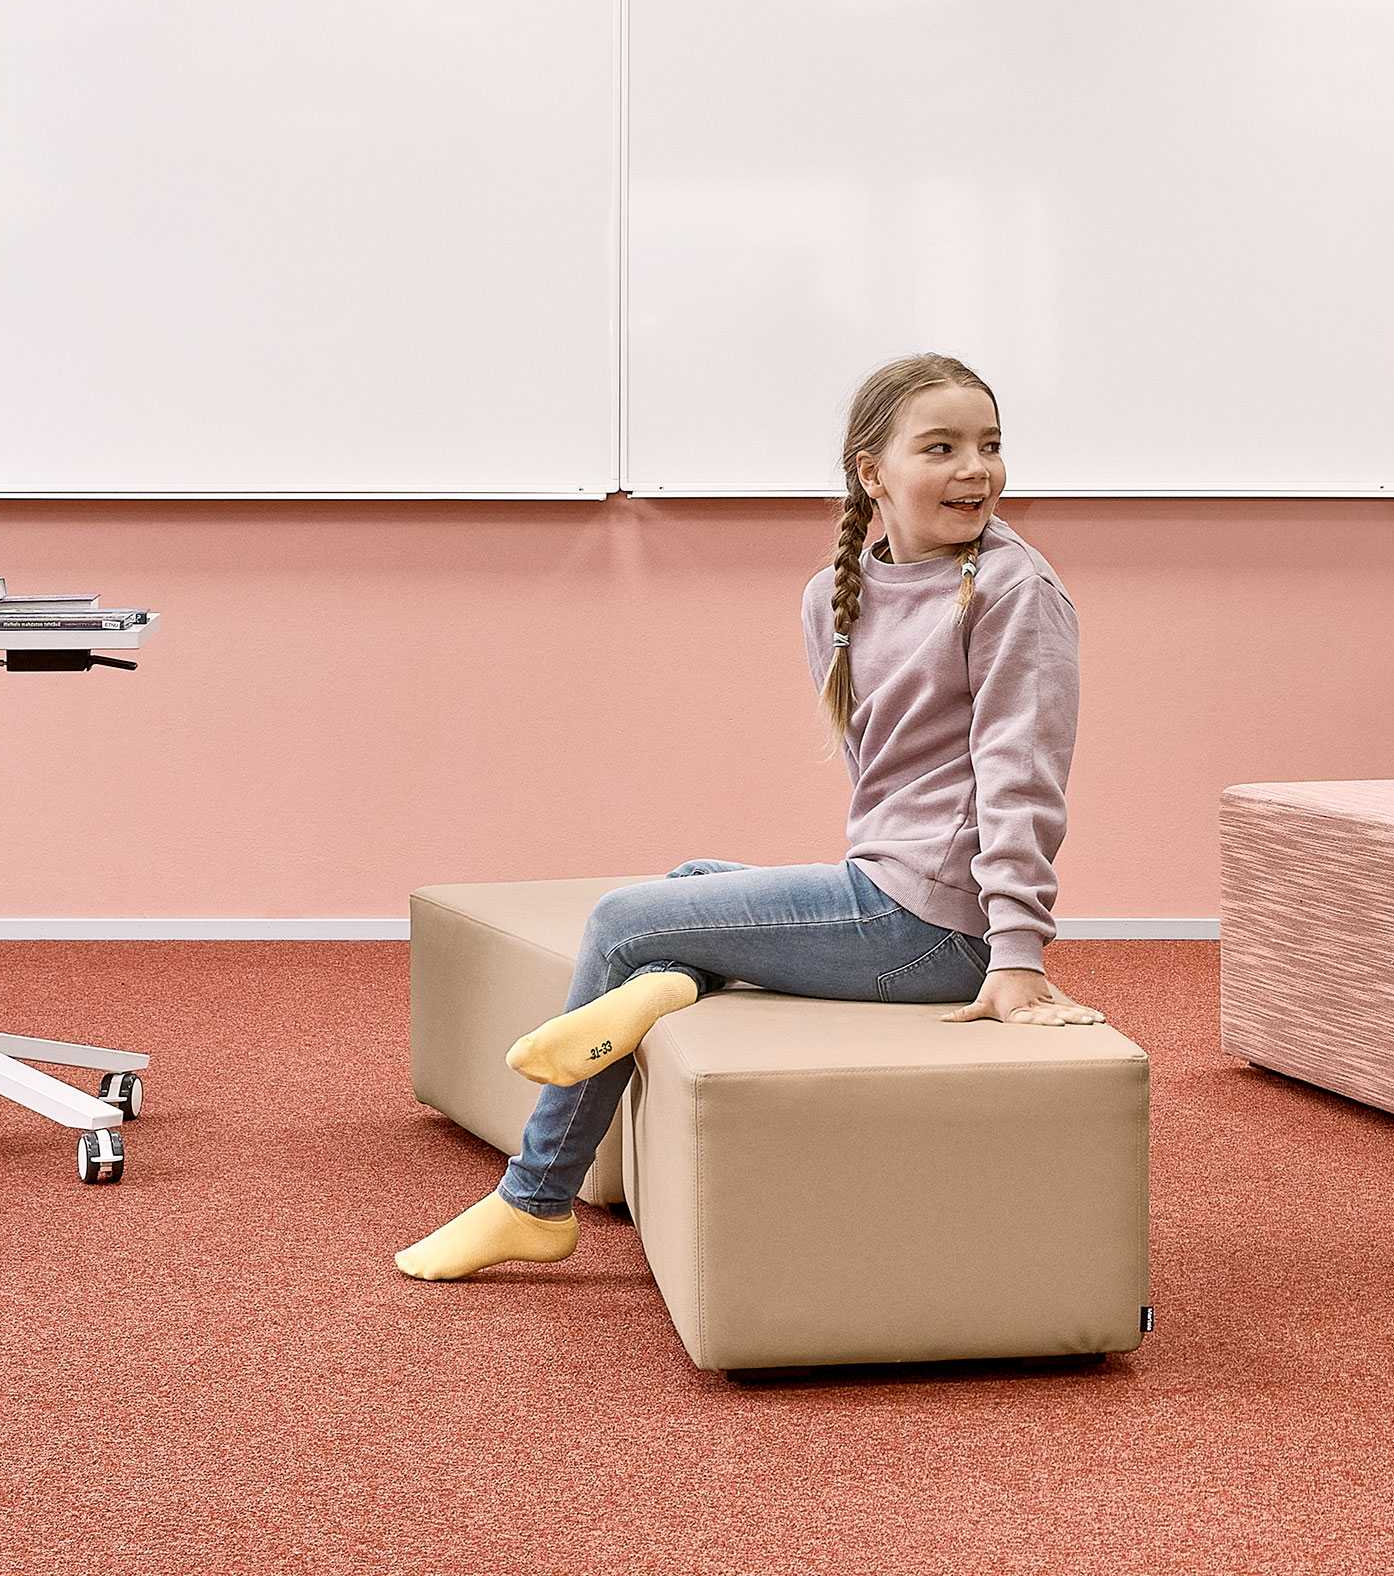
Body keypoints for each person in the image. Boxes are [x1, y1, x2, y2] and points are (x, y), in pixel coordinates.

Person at [394, 352, 1098, 1281]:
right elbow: (875, 773)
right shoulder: (831, 598)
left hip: (938, 930)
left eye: (990, 446)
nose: (976, 469)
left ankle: (535, 1200)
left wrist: (1015, 956)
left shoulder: (1015, 591)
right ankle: (682, 980)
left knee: (622, 922)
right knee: (692, 882)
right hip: (887, 890)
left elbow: (1022, 779)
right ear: (871, 471)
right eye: (943, 447)